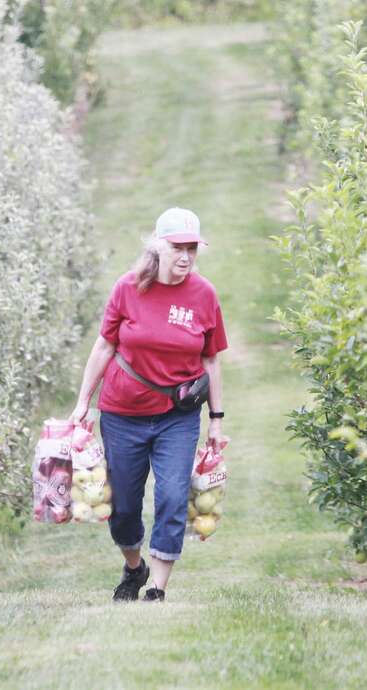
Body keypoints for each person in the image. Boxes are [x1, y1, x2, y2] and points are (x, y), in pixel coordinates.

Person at [69, 207, 229, 603]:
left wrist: (216, 421)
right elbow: (105, 345)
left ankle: (157, 588)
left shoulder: (204, 294)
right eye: (178, 247)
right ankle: (134, 567)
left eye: (192, 248)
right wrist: (82, 404)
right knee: (123, 506)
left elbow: (210, 361)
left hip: (178, 418)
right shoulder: (128, 288)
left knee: (173, 497)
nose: (185, 256)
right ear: (158, 247)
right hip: (123, 414)